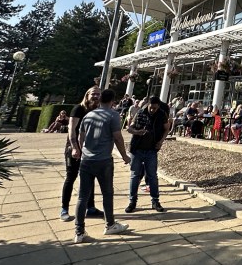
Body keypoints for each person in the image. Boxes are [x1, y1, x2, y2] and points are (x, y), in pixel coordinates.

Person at [74, 89, 131, 243]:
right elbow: (118, 137)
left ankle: (79, 231)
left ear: (100, 100)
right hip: (103, 160)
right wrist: (125, 156)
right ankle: (110, 224)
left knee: (82, 196)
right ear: (113, 100)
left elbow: (80, 136)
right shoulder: (113, 115)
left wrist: (82, 151)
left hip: (86, 160)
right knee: (107, 193)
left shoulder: (89, 115)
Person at [60, 88, 102, 222]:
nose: (96, 96)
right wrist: (74, 147)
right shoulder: (79, 109)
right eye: (93, 94)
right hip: (74, 148)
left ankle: (90, 207)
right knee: (71, 177)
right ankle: (64, 208)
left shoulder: (98, 110)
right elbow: (71, 129)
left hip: (89, 149)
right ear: (87, 95)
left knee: (90, 177)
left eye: (98, 94)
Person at [126, 96, 168, 213]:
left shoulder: (162, 115)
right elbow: (129, 128)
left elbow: (166, 128)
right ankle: (132, 201)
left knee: (152, 176)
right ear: (147, 105)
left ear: (158, 106)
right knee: (135, 175)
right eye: (151, 107)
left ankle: (155, 201)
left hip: (151, 149)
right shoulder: (140, 113)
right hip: (137, 149)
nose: (152, 110)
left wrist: (161, 141)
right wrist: (137, 132)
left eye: (155, 108)